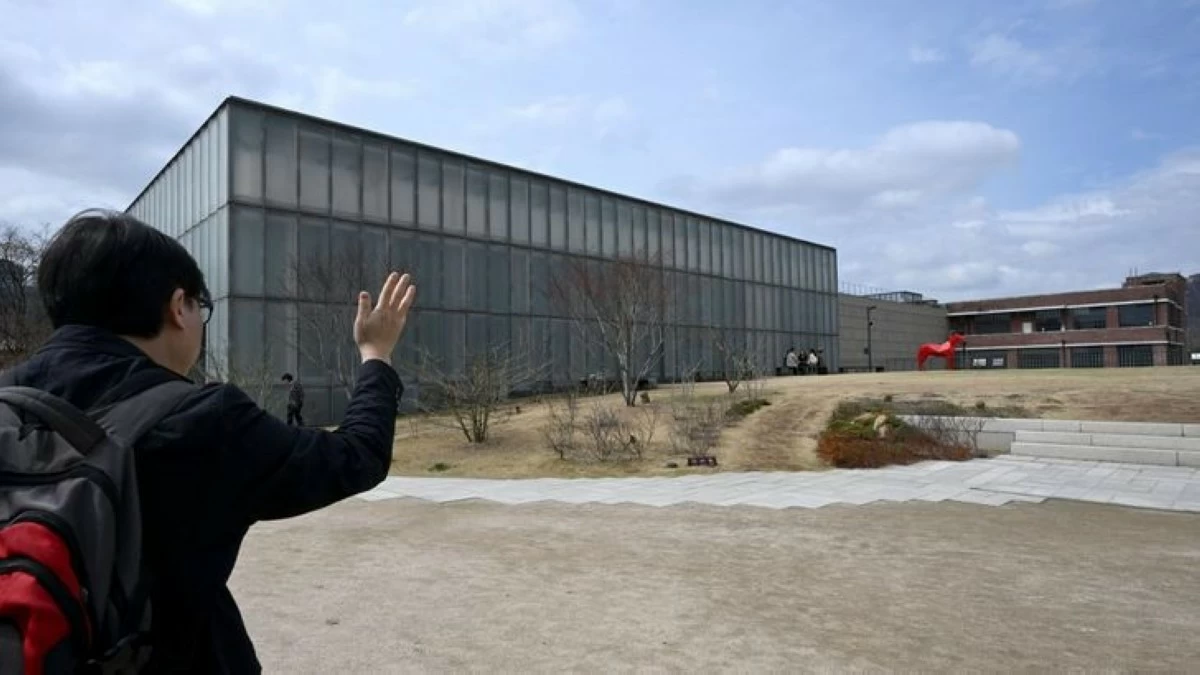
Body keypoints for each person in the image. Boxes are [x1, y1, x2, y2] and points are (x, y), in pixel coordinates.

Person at [0, 209, 415, 673]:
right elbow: (357, 455)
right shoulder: (202, 421)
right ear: (179, 306)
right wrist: (376, 355)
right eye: (202, 307)